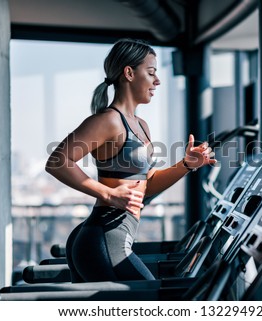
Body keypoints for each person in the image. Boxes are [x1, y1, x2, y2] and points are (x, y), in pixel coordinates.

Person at [45, 38, 216, 282]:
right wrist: (108, 194)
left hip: (111, 235)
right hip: (105, 237)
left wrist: (186, 165)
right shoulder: (108, 121)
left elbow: (146, 186)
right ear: (129, 73)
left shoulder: (141, 125)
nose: (157, 81)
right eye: (151, 72)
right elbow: (57, 161)